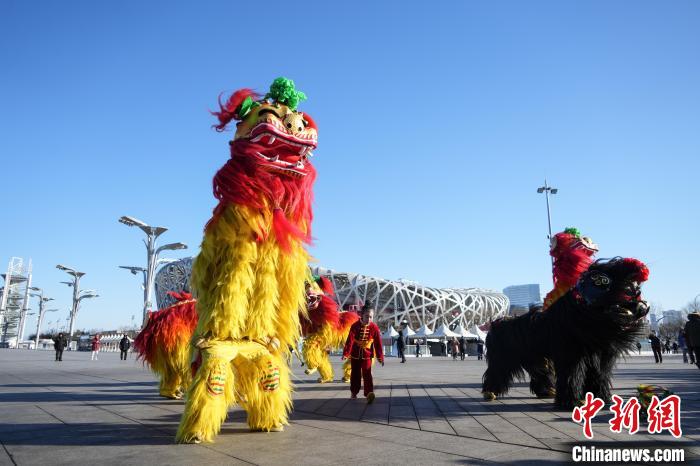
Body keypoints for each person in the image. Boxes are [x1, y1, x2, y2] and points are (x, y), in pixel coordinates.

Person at [342, 304, 384, 403]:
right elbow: (350, 340)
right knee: (355, 374)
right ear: (362, 315)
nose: (369, 319)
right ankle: (354, 392)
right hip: (355, 355)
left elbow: (378, 343)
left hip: (367, 355)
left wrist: (380, 357)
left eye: (371, 317)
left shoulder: (374, 327)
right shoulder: (355, 326)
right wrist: (346, 353)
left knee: (367, 374)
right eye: (367, 316)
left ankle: (369, 393)